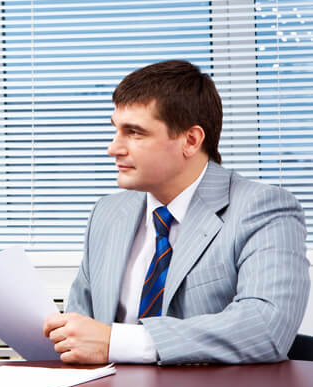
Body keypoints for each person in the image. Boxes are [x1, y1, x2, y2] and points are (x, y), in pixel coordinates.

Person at [43, 60, 310, 365]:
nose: (113, 148)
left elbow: (266, 326)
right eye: (116, 129)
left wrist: (116, 342)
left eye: (134, 132)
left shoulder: (263, 209)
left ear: (190, 140)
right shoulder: (107, 213)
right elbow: (82, 327)